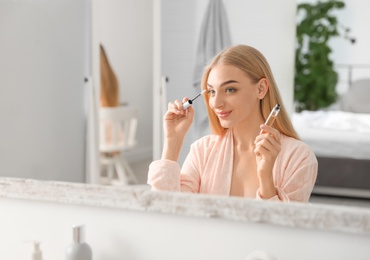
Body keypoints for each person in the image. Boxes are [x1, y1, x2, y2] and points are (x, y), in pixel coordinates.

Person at [147, 44, 318, 202]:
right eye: (212, 91)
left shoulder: (298, 157)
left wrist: (266, 179)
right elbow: (169, 211)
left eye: (230, 90)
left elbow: (285, 231)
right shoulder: (202, 151)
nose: (215, 103)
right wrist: (172, 141)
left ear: (261, 89)